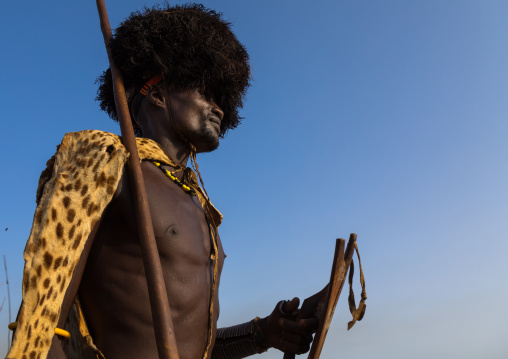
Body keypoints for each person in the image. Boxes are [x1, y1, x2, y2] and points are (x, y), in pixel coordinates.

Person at [7, 4, 326, 359]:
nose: (218, 107)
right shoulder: (106, 161)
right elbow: (44, 320)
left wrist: (264, 333)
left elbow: (185, 342)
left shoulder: (200, 205)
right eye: (204, 92)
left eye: (222, 98)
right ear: (157, 94)